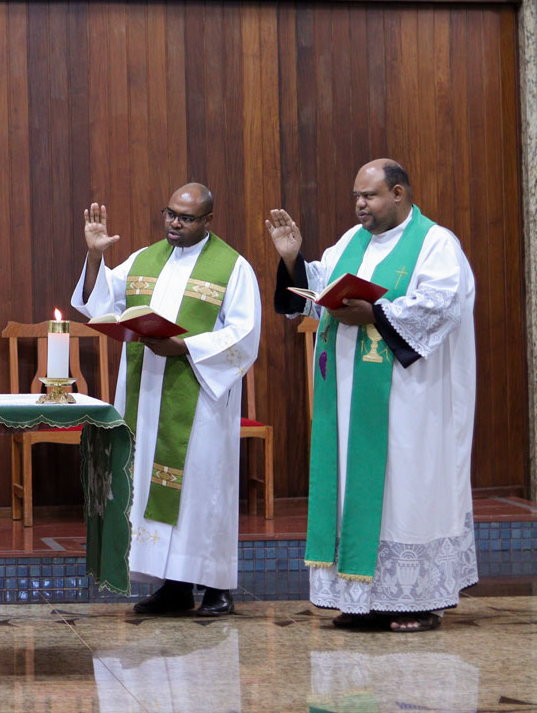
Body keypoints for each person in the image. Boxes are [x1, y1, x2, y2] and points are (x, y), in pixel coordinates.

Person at [267, 159, 476, 632]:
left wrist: (376, 313)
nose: (360, 205)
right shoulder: (351, 241)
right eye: (357, 197)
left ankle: (418, 600)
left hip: (408, 399)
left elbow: (442, 303)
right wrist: (292, 260)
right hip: (347, 397)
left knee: (404, 489)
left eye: (370, 196)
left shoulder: (436, 244)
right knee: (351, 487)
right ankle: (360, 598)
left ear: (399, 193)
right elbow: (320, 287)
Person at [72, 183, 261, 617]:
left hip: (200, 397)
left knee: (202, 489)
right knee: (149, 485)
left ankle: (215, 587)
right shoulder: (145, 259)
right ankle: (172, 587)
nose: (175, 223)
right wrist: (97, 256)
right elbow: (98, 302)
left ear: (208, 221)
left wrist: (187, 347)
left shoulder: (232, 268)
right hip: (148, 391)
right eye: (170, 214)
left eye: (187, 217)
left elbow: (244, 334)